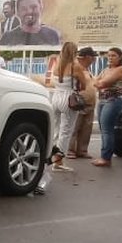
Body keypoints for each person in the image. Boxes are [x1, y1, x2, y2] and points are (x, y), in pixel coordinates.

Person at [49, 41, 86, 171]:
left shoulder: (57, 64)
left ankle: (51, 155)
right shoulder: (75, 66)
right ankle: (58, 162)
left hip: (55, 97)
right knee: (66, 131)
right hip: (69, 98)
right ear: (74, 52)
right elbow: (84, 85)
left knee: (55, 129)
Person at [92, 47, 122, 167]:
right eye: (109, 56)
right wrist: (99, 83)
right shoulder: (106, 69)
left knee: (107, 129)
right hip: (102, 100)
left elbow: (102, 83)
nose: (110, 58)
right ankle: (104, 155)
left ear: (120, 57)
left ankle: (106, 157)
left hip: (112, 101)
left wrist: (99, 83)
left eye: (113, 56)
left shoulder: (120, 69)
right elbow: (95, 82)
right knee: (103, 129)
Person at [66, 46, 98, 159]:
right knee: (75, 126)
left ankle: (82, 150)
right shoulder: (75, 67)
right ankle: (70, 149)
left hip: (90, 102)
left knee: (86, 128)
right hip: (79, 102)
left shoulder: (88, 69)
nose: (94, 59)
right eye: (93, 57)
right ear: (87, 57)